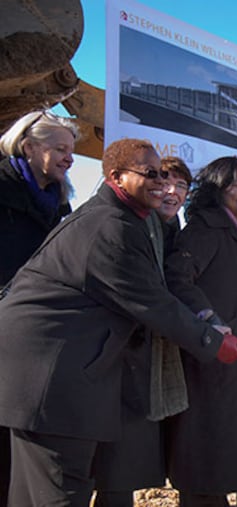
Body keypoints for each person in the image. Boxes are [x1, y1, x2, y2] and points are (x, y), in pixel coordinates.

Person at [0, 138, 237, 506]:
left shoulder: (125, 220)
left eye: (164, 174)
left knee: (33, 494)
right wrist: (212, 341)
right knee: (59, 491)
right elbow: (154, 302)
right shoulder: (110, 227)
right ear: (116, 176)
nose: (163, 185)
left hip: (57, 374)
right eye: (149, 174)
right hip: (48, 377)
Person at [163, 156, 237, 507]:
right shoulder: (205, 228)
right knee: (204, 434)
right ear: (216, 189)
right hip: (209, 350)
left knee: (230, 432)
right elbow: (177, 278)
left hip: (234, 352)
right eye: (236, 185)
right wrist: (208, 317)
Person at [91, 156, 194, 507]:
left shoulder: (173, 232)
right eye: (164, 182)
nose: (172, 192)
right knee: (119, 451)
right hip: (120, 349)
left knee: (135, 448)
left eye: (181, 186)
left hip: (150, 348)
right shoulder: (133, 226)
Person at [0, 110, 79, 507]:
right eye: (59, 148)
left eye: (72, 150)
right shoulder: (2, 189)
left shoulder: (59, 204)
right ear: (29, 147)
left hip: (29, 330)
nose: (69, 158)